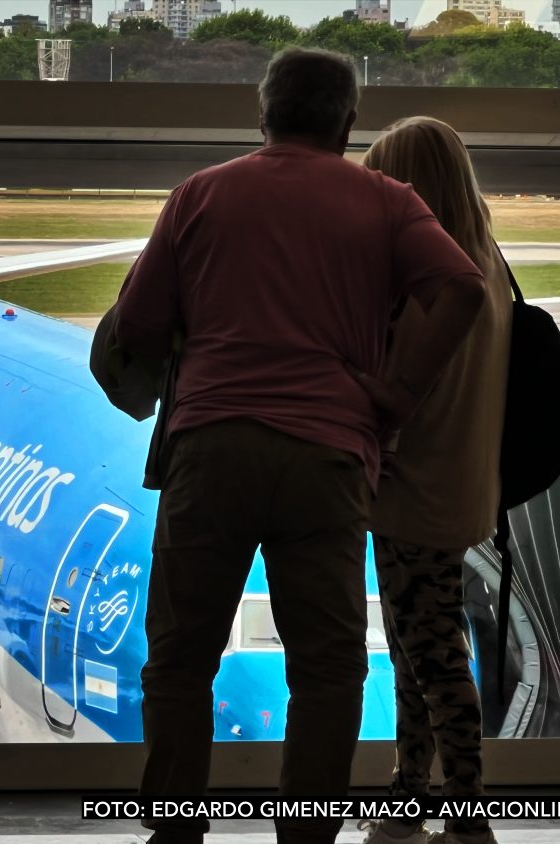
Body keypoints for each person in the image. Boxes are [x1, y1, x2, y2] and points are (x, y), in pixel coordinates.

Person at [111, 47, 488, 844]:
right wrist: (399, 391)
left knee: (182, 655)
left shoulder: (201, 196)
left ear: (264, 115)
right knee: (327, 665)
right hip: (328, 454)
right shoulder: (387, 203)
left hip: (211, 447)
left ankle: (177, 824)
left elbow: (138, 324)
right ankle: (306, 832)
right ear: (348, 123)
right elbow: (461, 288)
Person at [356, 117, 513, 844]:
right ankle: (409, 788)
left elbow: (391, 382)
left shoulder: (423, 281)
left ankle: (466, 806)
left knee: (431, 652)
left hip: (412, 486)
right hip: (462, 481)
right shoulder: (489, 265)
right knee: (422, 643)